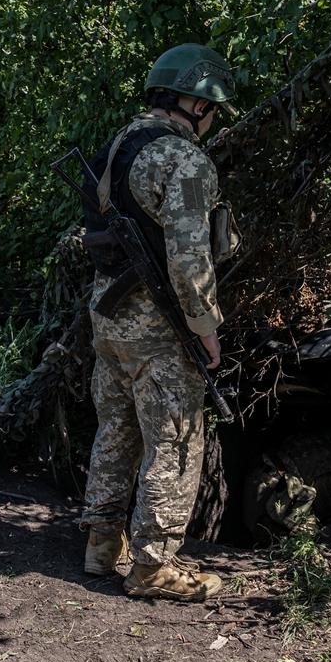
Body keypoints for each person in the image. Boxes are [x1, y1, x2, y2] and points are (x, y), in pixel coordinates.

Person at [78, 43, 238, 601]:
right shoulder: (184, 160)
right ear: (198, 103)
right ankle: (153, 566)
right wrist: (205, 327)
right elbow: (190, 256)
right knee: (175, 440)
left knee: (116, 429)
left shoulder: (118, 145)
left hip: (108, 317)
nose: (212, 119)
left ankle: (101, 544)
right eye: (213, 109)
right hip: (158, 329)